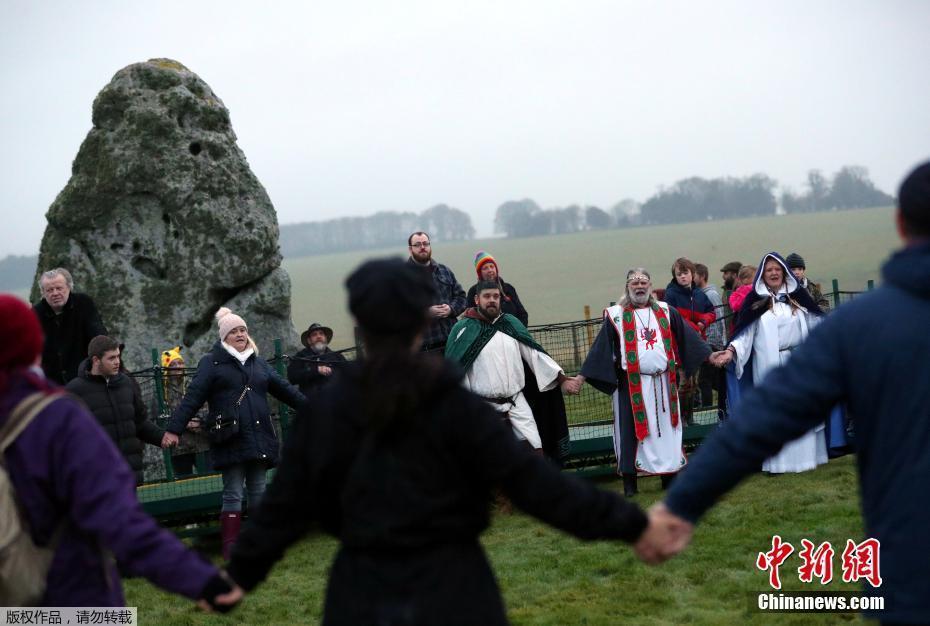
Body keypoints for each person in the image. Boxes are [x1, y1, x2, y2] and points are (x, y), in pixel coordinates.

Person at [221, 258, 668, 624]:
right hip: (456, 590)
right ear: (421, 320)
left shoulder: (327, 412)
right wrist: (634, 526)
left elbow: (284, 506)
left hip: (363, 592)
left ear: (358, 322)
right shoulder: (457, 408)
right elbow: (540, 487)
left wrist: (239, 574)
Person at [648, 160, 930, 624]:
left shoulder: (860, 327)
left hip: (911, 567)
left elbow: (766, 417)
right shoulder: (843, 325)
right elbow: (748, 347)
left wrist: (682, 504)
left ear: (899, 224)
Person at [0, 294, 240, 609]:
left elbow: (139, 422)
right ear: (34, 346)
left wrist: (164, 436)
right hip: (72, 592)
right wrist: (200, 580)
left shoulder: (118, 388)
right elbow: (119, 519)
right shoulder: (57, 417)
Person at [162, 307, 305, 560]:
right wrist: (174, 429)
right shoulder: (211, 362)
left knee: (259, 490)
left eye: (243, 330)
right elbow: (193, 397)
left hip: (259, 436)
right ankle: (230, 547)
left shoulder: (258, 363)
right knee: (233, 493)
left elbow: (285, 390)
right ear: (224, 336)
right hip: (231, 438)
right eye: (234, 331)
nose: (240, 334)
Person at [568, 268, 710, 496]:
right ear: (628, 287)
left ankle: (669, 478)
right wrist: (581, 378)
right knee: (630, 433)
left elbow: (687, 336)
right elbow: (600, 349)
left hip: (663, 384)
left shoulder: (665, 311)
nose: (639, 286)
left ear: (651, 286)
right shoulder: (615, 315)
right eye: (634, 283)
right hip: (632, 385)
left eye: (643, 282)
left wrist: (711, 355)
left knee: (667, 430)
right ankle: (630, 484)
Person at [709, 253, 829, 474]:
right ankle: (778, 463)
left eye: (777, 269)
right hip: (769, 367)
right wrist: (730, 351)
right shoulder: (756, 302)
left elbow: (818, 322)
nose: (774, 273)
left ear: (784, 272)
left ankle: (805, 460)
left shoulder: (798, 298)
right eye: (769, 270)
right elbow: (745, 334)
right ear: (762, 275)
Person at [445, 280, 574, 461]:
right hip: (483, 408)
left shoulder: (510, 323)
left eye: (496, 296)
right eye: (487, 296)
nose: (492, 300)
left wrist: (562, 379)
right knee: (489, 461)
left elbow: (534, 354)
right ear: (476, 299)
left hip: (516, 402)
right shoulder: (463, 329)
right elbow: (456, 373)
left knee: (535, 451)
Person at [64, 335, 164, 485]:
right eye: (111, 358)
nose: (117, 362)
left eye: (118, 356)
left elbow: (139, 422)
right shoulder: (73, 392)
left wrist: (162, 437)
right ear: (96, 360)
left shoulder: (126, 383)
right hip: (98, 482)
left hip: (130, 477)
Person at [32, 268, 107, 385]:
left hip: (84, 376)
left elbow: (97, 335)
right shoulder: (35, 314)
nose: (55, 293)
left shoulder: (83, 303)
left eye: (59, 288)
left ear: (69, 287)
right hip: (52, 382)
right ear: (43, 293)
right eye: (50, 290)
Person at [407, 231, 468, 351]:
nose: (422, 247)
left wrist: (451, 309)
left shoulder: (444, 270)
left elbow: (461, 298)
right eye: (418, 245)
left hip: (452, 344)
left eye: (425, 243)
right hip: (423, 350)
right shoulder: (403, 276)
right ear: (410, 249)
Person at [161, 346, 210, 478]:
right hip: (179, 447)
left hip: (202, 442)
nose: (178, 366)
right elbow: (161, 417)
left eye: (180, 362)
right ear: (166, 368)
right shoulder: (161, 392)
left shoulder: (194, 382)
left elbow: (207, 405)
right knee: (184, 483)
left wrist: (199, 421)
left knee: (211, 480)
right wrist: (184, 423)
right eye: (173, 364)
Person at [694, 263, 726, 412]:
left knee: (704, 380)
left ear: (702, 276)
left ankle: (707, 410)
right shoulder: (699, 295)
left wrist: (717, 342)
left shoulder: (710, 295)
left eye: (694, 275)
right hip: (706, 342)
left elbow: (718, 318)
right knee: (713, 380)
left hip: (711, 342)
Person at [465, 251, 529, 325]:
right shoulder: (473, 291)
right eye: (485, 268)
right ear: (480, 273)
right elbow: (469, 319)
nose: (490, 270)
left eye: (492, 266)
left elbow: (523, 315)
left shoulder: (508, 288)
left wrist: (518, 333)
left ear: (496, 269)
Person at [287, 322, 347, 398]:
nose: (318, 336)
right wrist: (316, 370)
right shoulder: (301, 357)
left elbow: (348, 376)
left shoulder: (337, 356)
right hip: (310, 404)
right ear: (309, 340)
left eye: (321, 334)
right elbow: (292, 377)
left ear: (326, 338)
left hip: (334, 403)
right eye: (314, 334)